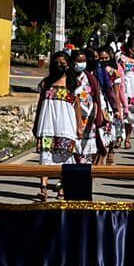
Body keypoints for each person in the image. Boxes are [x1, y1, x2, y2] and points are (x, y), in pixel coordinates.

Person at [32, 49, 80, 200]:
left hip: (66, 125)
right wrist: (36, 123)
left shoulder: (74, 84)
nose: (59, 66)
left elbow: (77, 106)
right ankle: (43, 188)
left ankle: (62, 187)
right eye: (56, 63)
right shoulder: (46, 83)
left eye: (63, 64)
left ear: (68, 65)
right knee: (45, 156)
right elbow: (40, 103)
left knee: (65, 156)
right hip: (47, 124)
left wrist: (79, 126)